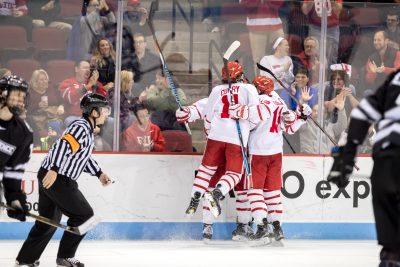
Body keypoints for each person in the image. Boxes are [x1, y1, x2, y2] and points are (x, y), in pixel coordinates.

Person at [15, 93, 113, 267]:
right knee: (85, 216)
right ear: (94, 112)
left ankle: (26, 259)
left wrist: (99, 173)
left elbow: (82, 157)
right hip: (59, 178)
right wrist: (54, 170)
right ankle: (65, 256)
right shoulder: (81, 127)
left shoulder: (86, 130)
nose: (106, 113)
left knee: (48, 222)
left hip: (53, 175)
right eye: (104, 109)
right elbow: (63, 146)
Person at [327, 69, 400, 267]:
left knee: (392, 246)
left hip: (387, 154)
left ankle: (391, 257)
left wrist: (348, 153)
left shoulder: (394, 79)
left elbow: (362, 113)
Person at [229, 76, 311, 244]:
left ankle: (261, 227)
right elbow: (289, 127)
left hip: (258, 153)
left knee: (255, 191)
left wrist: (236, 111)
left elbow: (248, 124)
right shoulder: (279, 100)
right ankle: (277, 228)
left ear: (258, 89)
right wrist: (301, 117)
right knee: (273, 193)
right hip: (276, 153)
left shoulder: (257, 101)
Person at [200, 61, 259, 219]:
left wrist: (209, 133)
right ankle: (217, 193)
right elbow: (255, 115)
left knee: (208, 174)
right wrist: (247, 124)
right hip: (235, 139)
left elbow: (208, 117)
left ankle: (207, 227)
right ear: (240, 75)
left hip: (215, 139)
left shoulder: (216, 90)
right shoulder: (249, 88)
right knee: (234, 174)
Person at [0, 75, 33, 229]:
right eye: (17, 94)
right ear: (3, 93)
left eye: (23, 96)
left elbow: (11, 175)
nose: (22, 100)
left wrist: (15, 200)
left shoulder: (23, 133)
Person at [59, 60, 106, 127]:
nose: (88, 70)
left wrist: (95, 85)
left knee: (111, 122)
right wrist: (87, 87)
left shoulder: (93, 83)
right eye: (85, 68)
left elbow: (104, 98)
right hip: (75, 117)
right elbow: (70, 97)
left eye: (89, 68)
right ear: (76, 69)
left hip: (93, 117)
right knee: (70, 121)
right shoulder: (68, 82)